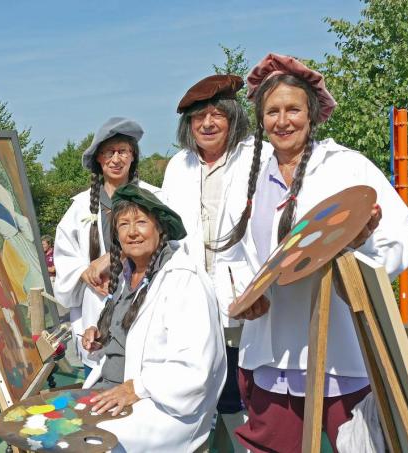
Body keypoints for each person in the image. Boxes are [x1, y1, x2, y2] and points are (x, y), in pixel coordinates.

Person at [214, 53, 408, 452]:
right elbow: (229, 257)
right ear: (261, 118)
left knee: (360, 444)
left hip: (341, 347)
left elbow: (397, 237)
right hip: (269, 349)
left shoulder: (346, 167)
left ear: (313, 113)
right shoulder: (244, 176)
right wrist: (237, 302)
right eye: (272, 111)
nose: (283, 120)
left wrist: (359, 250)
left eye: (293, 109)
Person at [162, 74, 272, 450]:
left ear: (232, 117)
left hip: (246, 291)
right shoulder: (179, 165)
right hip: (193, 291)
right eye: (198, 118)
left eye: (216, 115)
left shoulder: (260, 155)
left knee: (249, 384)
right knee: (203, 382)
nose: (207, 124)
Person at [81, 184, 226, 452]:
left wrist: (136, 388)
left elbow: (195, 368)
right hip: (114, 391)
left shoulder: (184, 279)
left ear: (160, 228)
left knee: (87, 440)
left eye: (141, 222)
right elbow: (133, 336)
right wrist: (102, 338)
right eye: (123, 224)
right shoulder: (127, 275)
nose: (132, 232)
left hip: (163, 406)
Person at [54, 117, 160, 375]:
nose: (116, 159)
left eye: (123, 151)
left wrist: (114, 257)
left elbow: (170, 244)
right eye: (108, 152)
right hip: (97, 307)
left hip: (143, 302)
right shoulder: (80, 206)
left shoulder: (154, 198)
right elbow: (64, 254)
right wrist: (83, 271)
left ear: (133, 156)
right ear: (98, 159)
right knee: (98, 388)